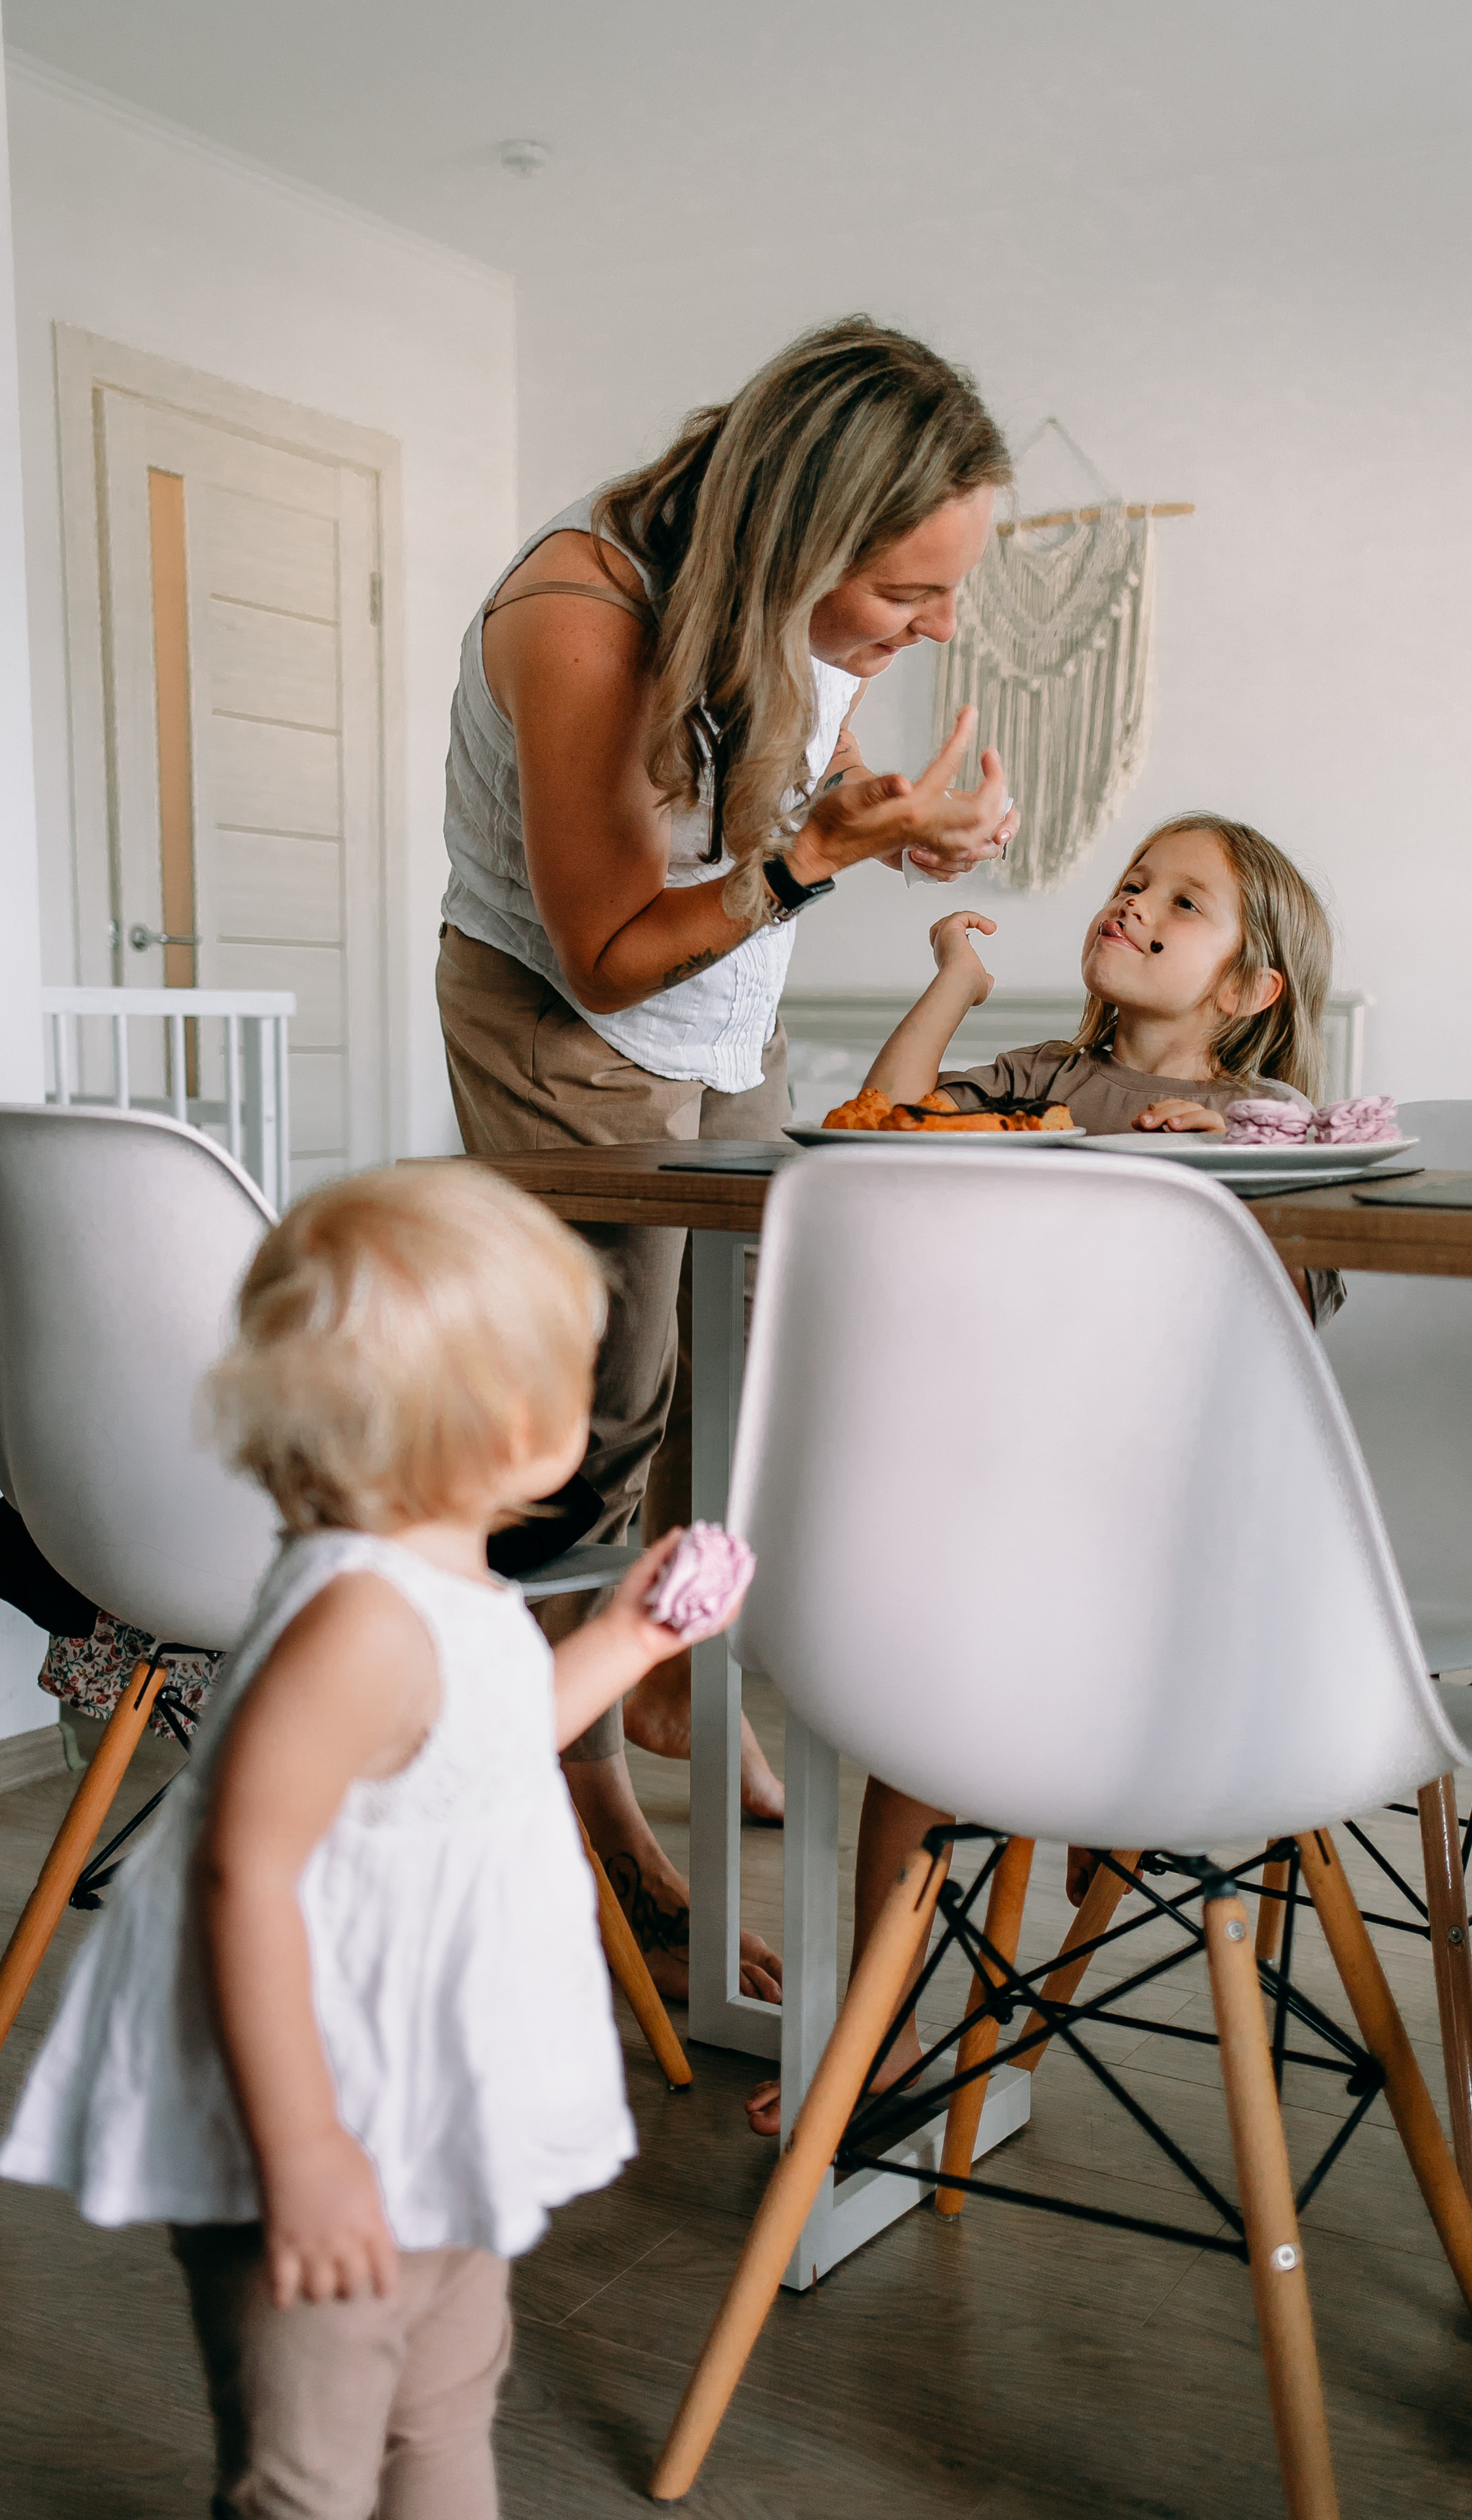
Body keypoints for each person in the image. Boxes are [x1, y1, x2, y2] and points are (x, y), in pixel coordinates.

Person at [0, 1164, 751, 2519]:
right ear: (495, 1418)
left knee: (447, 2405)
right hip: (322, 2121)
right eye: (569, 1376)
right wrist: (305, 2155)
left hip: (437, 2105)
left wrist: (629, 1638)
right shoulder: (356, 1624)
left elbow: (488, 1736)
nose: (585, 1406)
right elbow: (244, 1874)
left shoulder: (444, 1576)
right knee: (310, 2470)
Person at [436, 317, 1019, 2000]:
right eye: (908, 594)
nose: (934, 623)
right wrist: (820, 860)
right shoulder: (576, 616)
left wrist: (890, 823)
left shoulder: (783, 589)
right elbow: (614, 945)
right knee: (595, 1415)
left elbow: (799, 767)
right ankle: (575, 1775)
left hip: (721, 1011)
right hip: (568, 1014)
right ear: (795, 540)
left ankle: (678, 1682)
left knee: (741, 1365)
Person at [746, 811, 1341, 2133]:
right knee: (913, 1710)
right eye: (1134, 882)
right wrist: (952, 986)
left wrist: (1223, 1160)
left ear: (1248, 993)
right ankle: (877, 2032)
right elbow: (883, 1125)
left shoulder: (1267, 1117)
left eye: (1183, 904)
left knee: (978, 1649)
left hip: (1169, 1524)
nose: (1135, 903)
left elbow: (1297, 1310)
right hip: (1021, 1504)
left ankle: (1081, 1793)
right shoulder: (1033, 1077)